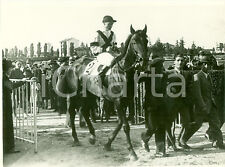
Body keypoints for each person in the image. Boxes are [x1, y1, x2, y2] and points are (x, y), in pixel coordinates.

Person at [179, 53, 225, 149]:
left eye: (209, 64)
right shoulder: (197, 76)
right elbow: (197, 93)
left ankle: (218, 142)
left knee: (216, 122)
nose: (209, 66)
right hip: (201, 106)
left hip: (210, 104)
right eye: (207, 64)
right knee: (196, 124)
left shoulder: (208, 76)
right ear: (203, 65)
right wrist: (202, 105)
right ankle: (182, 140)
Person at [3, 59, 26, 154]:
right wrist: (22, 82)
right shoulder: (3, 77)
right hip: (5, 104)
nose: (11, 70)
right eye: (10, 68)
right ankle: (9, 148)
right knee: (8, 125)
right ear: (7, 69)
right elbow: (11, 86)